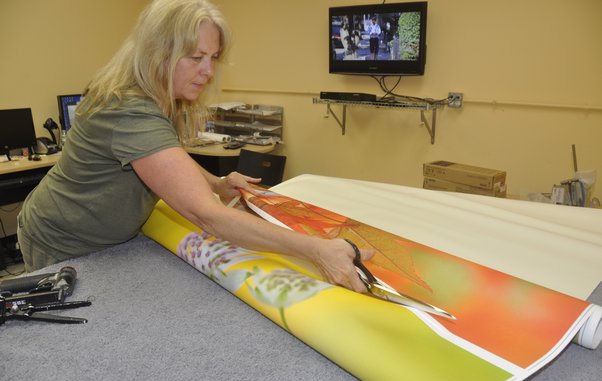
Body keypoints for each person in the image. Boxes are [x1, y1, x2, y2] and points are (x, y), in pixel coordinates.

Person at [17, 0, 371, 293]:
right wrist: (318, 250)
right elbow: (209, 216)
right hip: (64, 242)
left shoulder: (159, 95)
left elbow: (167, 155)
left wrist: (215, 183)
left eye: (213, 58)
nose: (208, 71)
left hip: (104, 239)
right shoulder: (128, 109)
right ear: (158, 53)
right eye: (195, 57)